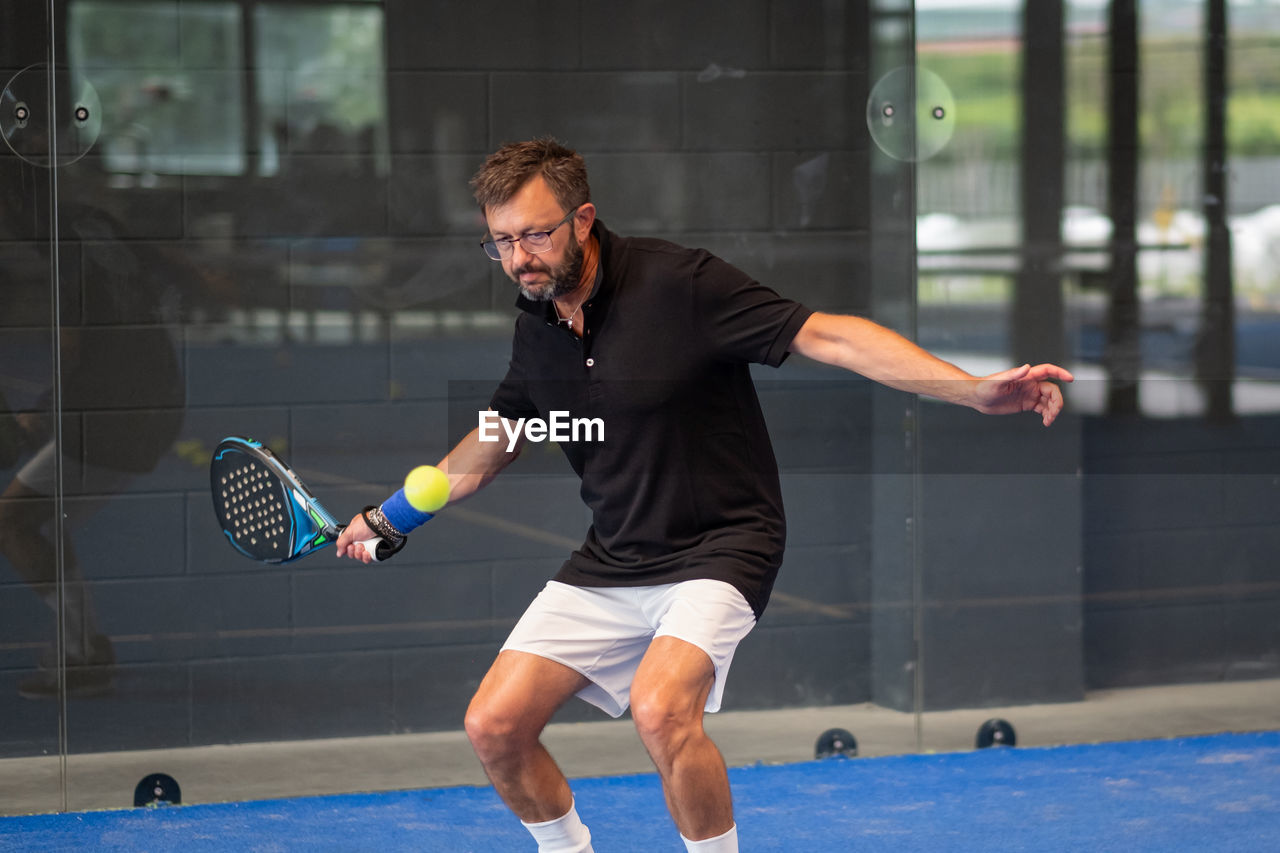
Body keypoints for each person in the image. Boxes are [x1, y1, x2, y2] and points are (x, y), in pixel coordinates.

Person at [336, 138, 1073, 852]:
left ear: (583, 220)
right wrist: (389, 516)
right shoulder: (539, 319)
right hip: (616, 554)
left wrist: (970, 389)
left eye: (535, 234)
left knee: (661, 708)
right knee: (493, 724)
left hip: (722, 544)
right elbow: (497, 437)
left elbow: (831, 337)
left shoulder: (679, 284)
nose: (520, 258)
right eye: (501, 241)